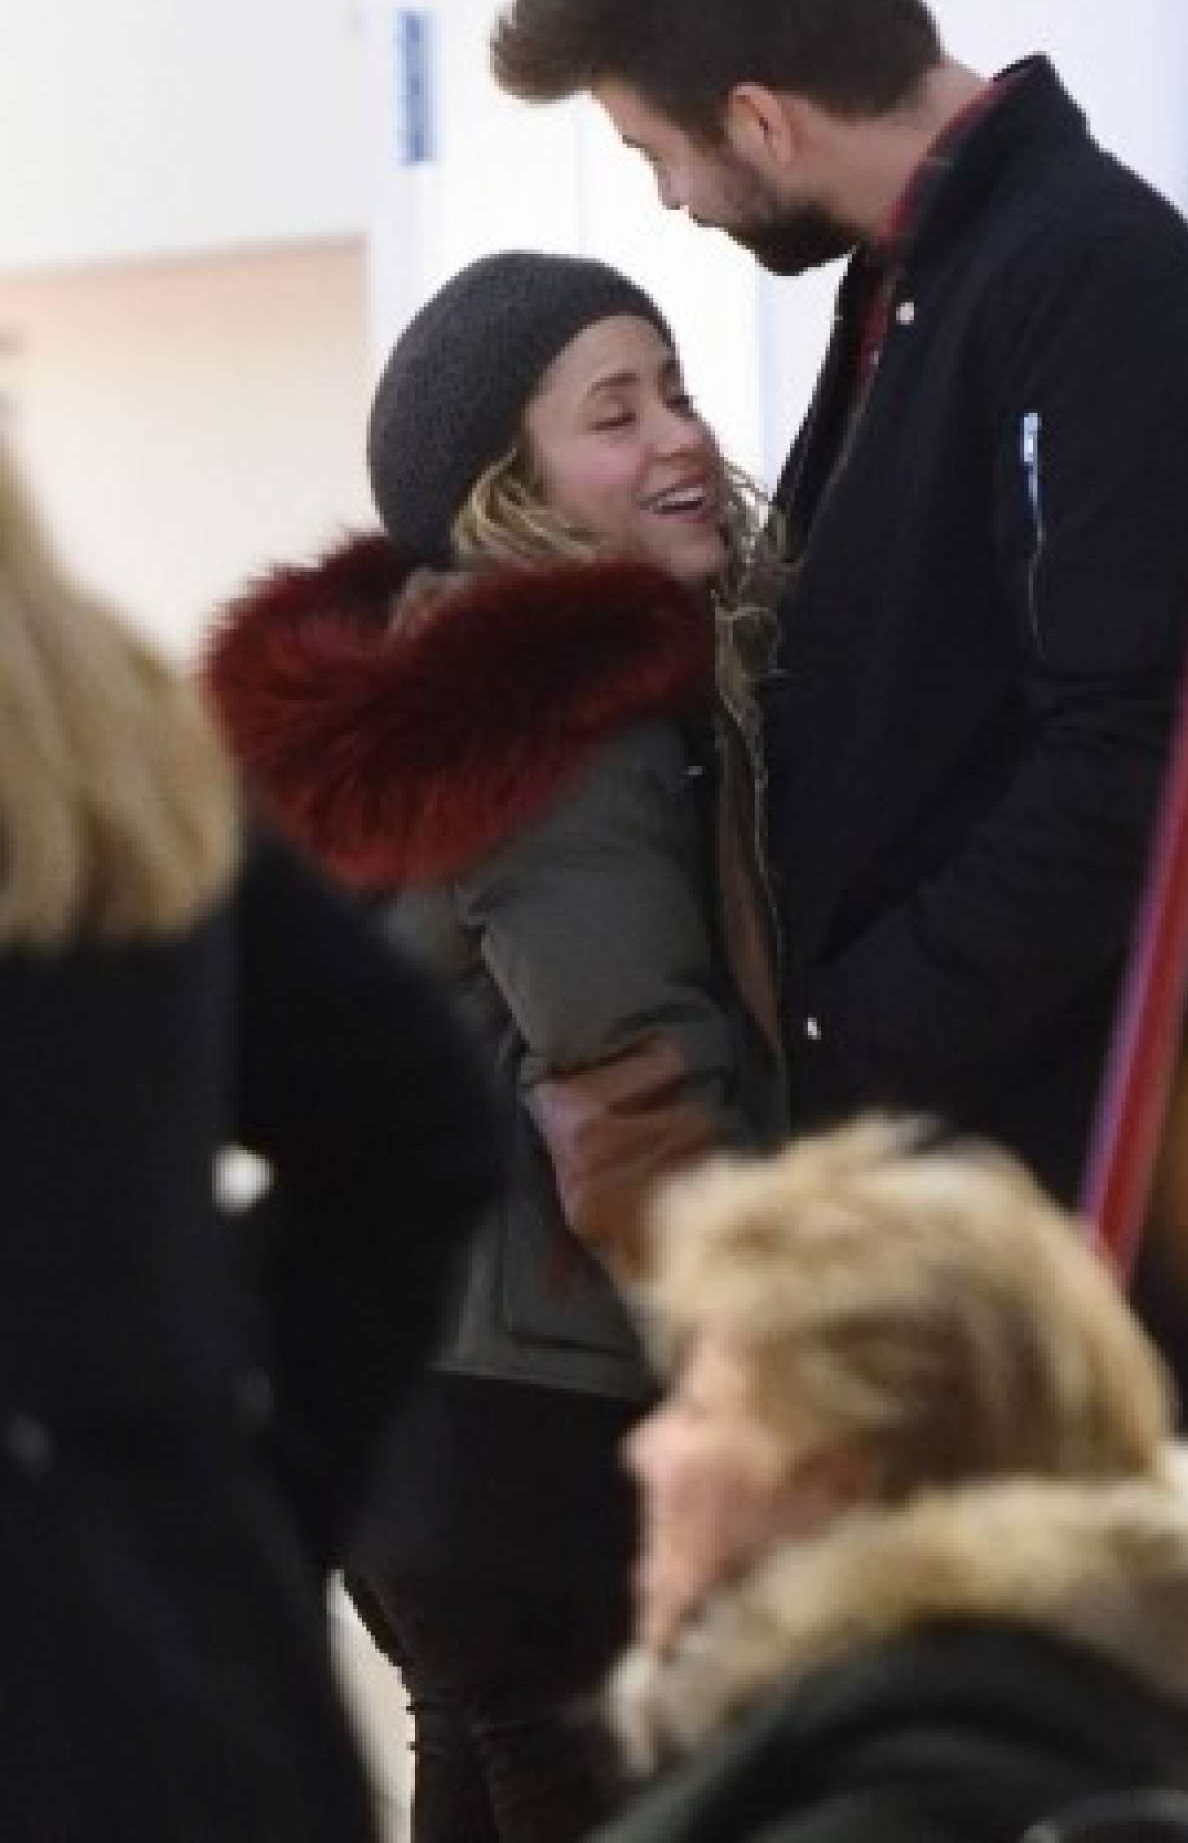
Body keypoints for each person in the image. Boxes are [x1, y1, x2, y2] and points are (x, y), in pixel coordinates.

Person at [491, 0, 1188, 1431]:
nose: (672, 200)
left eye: (658, 154)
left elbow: (1133, 760)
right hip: (927, 1201)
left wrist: (845, 1030)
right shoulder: (912, 281)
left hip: (1039, 1223)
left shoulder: (1078, 274)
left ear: (759, 119)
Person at [205, 250, 784, 1843]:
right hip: (538, 1421)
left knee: (479, 1774)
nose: (676, 434)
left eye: (674, 387)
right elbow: (629, 1085)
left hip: (414, 1417)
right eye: (613, 411)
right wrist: (770, 1359)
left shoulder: (423, 690)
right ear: (504, 485)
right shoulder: (553, 710)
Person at [0, 434, 500, 1842]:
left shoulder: (101, 743)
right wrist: (240, 1465)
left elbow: (414, 1119)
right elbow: (414, 1120)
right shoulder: (104, 740)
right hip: (176, 1657)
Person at [586, 1118, 1188, 1843]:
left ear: (844, 1473)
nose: (647, 1449)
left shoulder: (903, 1799)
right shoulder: (1076, 1736)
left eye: (699, 1408)